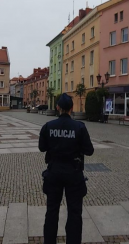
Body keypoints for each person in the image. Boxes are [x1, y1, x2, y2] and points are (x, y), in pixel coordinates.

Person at [39, 93, 94, 244]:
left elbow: (42, 148)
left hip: (54, 173)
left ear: (57, 107)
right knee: (75, 213)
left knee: (51, 212)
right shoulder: (80, 127)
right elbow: (89, 150)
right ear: (71, 108)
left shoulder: (48, 126)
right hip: (74, 173)